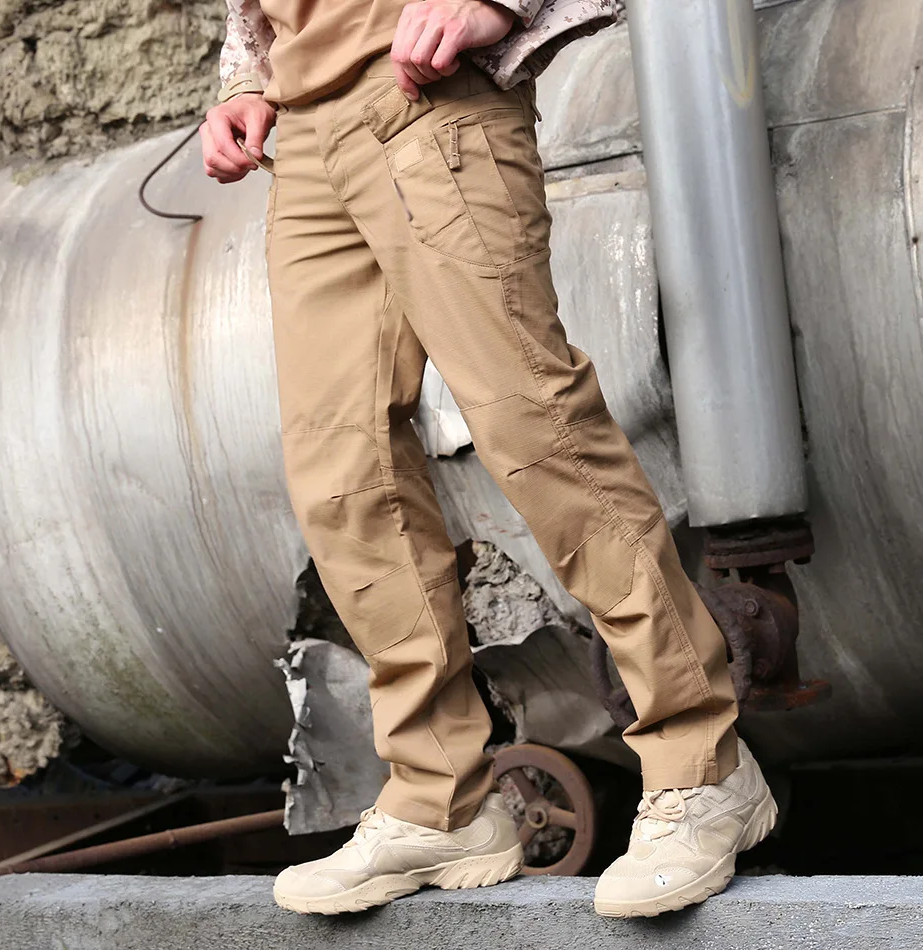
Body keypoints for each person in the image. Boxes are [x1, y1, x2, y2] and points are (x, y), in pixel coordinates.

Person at [199, 0, 777, 919]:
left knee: (538, 434)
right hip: (303, 135)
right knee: (341, 476)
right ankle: (442, 800)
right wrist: (246, 75)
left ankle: (702, 764)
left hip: (426, 100)